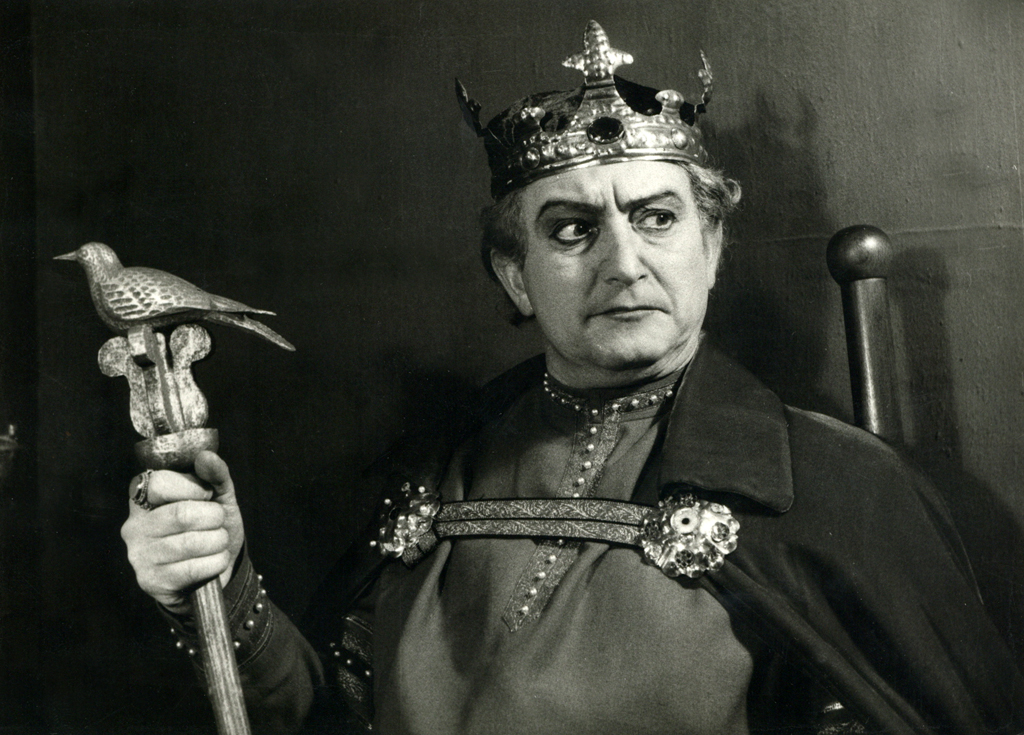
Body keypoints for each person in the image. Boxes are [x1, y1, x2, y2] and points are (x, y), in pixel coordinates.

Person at [120, 21, 1023, 735]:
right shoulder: (443, 467)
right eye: (572, 229)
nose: (624, 263)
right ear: (515, 275)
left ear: (712, 247)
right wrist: (215, 583)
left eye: (657, 217)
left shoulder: (837, 482)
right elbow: (325, 717)